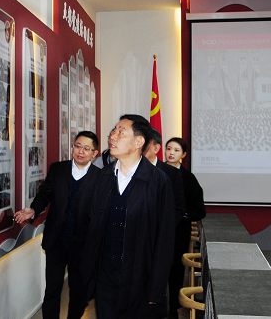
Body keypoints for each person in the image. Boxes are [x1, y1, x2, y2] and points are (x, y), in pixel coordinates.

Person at [82, 114, 175, 319]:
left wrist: (157, 289)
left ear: (139, 142)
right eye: (113, 131)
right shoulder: (103, 177)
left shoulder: (158, 181)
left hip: (140, 279)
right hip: (105, 279)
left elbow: (165, 239)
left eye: (121, 132)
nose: (112, 136)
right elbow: (92, 228)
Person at [15, 131, 102, 319]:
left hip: (83, 244)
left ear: (95, 153)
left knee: (78, 291)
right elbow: (44, 195)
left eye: (86, 148)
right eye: (78, 146)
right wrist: (33, 209)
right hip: (57, 240)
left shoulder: (101, 177)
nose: (80, 151)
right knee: (52, 289)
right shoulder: (58, 169)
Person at [165, 137, 206, 319]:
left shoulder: (188, 179)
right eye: (169, 148)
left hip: (178, 234)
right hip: (156, 233)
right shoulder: (156, 172)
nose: (171, 153)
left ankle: (173, 309)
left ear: (183, 154)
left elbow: (199, 210)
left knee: (175, 272)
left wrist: (180, 214)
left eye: (176, 150)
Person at [143, 127, 186, 226]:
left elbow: (178, 209)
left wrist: (163, 228)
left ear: (156, 148)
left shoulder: (172, 173)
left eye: (145, 144)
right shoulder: (129, 170)